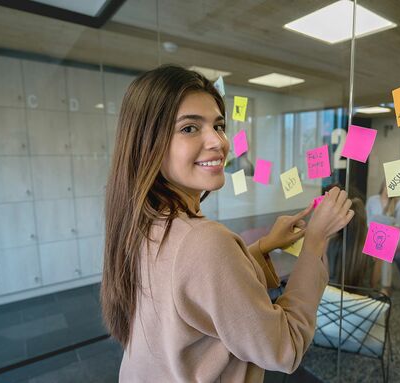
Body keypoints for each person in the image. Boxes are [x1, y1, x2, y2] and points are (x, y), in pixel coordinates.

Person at [100, 66, 355, 382]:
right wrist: (315, 240)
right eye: (190, 128)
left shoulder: (143, 221)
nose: (218, 142)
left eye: (218, 126)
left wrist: (264, 246)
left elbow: (196, 291)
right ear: (147, 142)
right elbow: (284, 348)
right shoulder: (203, 241)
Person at [366, 182, 400, 295]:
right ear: (383, 185)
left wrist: (389, 227)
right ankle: (372, 284)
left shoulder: (399, 204)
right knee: (373, 260)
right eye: (388, 186)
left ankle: (385, 286)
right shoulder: (372, 200)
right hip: (372, 233)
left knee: (385, 259)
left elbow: (398, 225)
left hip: (389, 235)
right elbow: (368, 218)